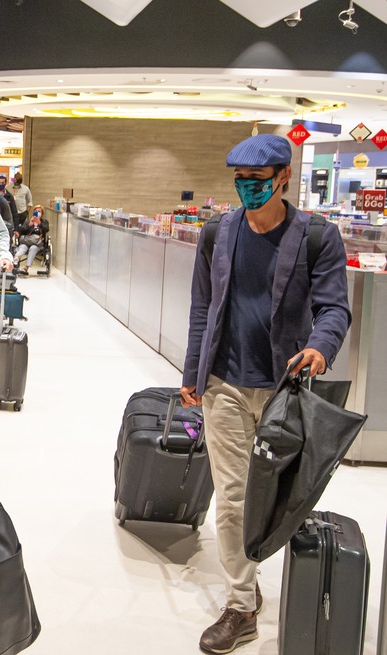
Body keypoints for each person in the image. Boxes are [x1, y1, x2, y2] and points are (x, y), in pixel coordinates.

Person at [180, 134, 350, 655]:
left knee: (279, 499)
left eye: (256, 182)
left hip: (285, 392)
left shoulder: (318, 236)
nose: (246, 190)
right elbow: (202, 307)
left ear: (283, 179)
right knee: (231, 500)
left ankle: (257, 577)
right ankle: (240, 604)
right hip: (224, 386)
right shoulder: (218, 231)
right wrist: (192, 372)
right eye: (239, 182)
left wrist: (321, 347)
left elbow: (335, 309)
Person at [14, 205, 49, 275]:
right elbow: (21, 231)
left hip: (37, 244)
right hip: (26, 242)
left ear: (42, 214)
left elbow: (46, 229)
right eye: (35, 211)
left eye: (39, 211)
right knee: (23, 247)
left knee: (33, 248)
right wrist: (29, 225)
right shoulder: (28, 221)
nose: (37, 212)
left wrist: (40, 224)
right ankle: (16, 257)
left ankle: (26, 268)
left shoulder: (44, 222)